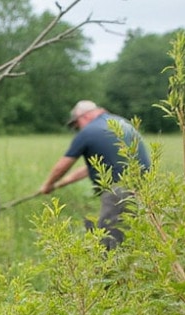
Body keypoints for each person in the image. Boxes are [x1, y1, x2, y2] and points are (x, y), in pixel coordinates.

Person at [38, 100, 151, 250]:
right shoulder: (121, 123)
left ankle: (109, 263)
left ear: (83, 116)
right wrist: (59, 184)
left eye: (76, 125)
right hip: (145, 188)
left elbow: (63, 166)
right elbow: (94, 167)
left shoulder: (88, 132)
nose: (78, 129)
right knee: (133, 235)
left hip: (117, 190)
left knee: (109, 240)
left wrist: (47, 185)